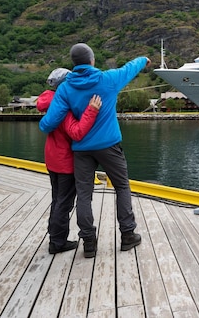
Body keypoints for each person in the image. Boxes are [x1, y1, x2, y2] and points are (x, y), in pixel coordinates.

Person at [39, 43, 151, 258]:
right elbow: (130, 67)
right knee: (121, 187)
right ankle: (128, 235)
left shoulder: (65, 88)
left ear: (74, 63)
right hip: (109, 146)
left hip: (81, 150)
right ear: (92, 60)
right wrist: (143, 58)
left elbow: (47, 124)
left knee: (83, 195)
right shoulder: (108, 79)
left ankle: (89, 243)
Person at [36, 68, 102, 254]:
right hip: (64, 161)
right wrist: (91, 110)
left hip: (52, 158)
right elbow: (77, 132)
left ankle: (55, 236)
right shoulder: (63, 107)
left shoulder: (50, 102)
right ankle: (57, 242)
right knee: (64, 203)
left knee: (57, 199)